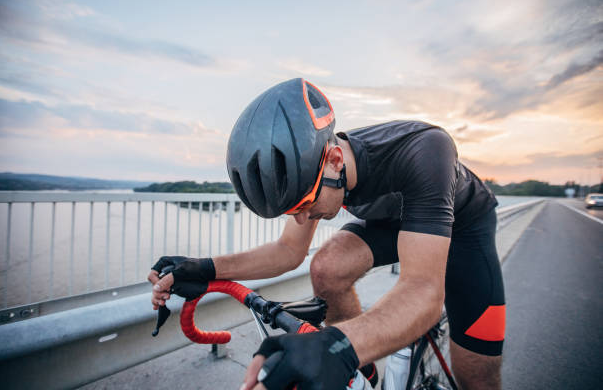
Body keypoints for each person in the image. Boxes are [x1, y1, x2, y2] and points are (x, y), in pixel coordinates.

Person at [148, 78, 505, 390]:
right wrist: (205, 268)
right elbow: (288, 251)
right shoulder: (318, 170)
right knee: (326, 267)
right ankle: (364, 375)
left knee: (477, 379)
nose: (301, 219)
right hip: (391, 220)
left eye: (303, 203)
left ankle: (350, 354)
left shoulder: (424, 148)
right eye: (292, 211)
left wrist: (336, 347)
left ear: (336, 160)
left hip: (465, 229)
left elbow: (424, 291)